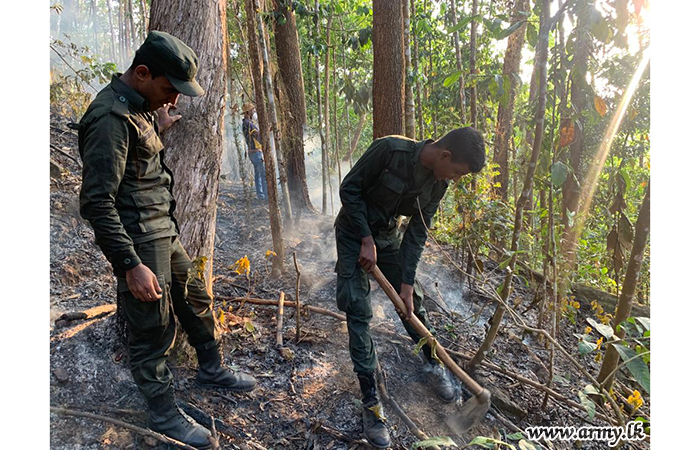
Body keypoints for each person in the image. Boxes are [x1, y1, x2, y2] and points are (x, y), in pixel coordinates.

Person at [78, 30, 257, 450]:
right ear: (142, 73)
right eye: (169, 89)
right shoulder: (109, 119)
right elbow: (97, 203)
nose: (174, 100)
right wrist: (129, 264)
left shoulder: (139, 110)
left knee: (195, 297)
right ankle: (162, 414)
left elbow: (138, 161)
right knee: (152, 328)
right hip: (139, 242)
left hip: (165, 229)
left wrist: (157, 126)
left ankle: (211, 368)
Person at [334, 128, 486, 448]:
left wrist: (405, 282)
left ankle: (433, 363)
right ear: (445, 156)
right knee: (358, 309)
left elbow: (417, 233)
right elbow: (349, 189)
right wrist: (364, 238)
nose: (456, 179)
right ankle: (371, 402)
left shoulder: (437, 184)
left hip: (387, 239)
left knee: (412, 303)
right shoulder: (389, 150)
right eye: (458, 172)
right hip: (353, 234)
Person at [241, 102, 268, 201]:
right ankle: (266, 197)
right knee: (264, 175)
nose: (254, 111)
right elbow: (257, 136)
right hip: (256, 153)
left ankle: (261, 195)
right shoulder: (248, 124)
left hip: (252, 152)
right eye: (253, 110)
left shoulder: (246, 123)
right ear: (248, 112)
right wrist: (266, 131)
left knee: (258, 174)